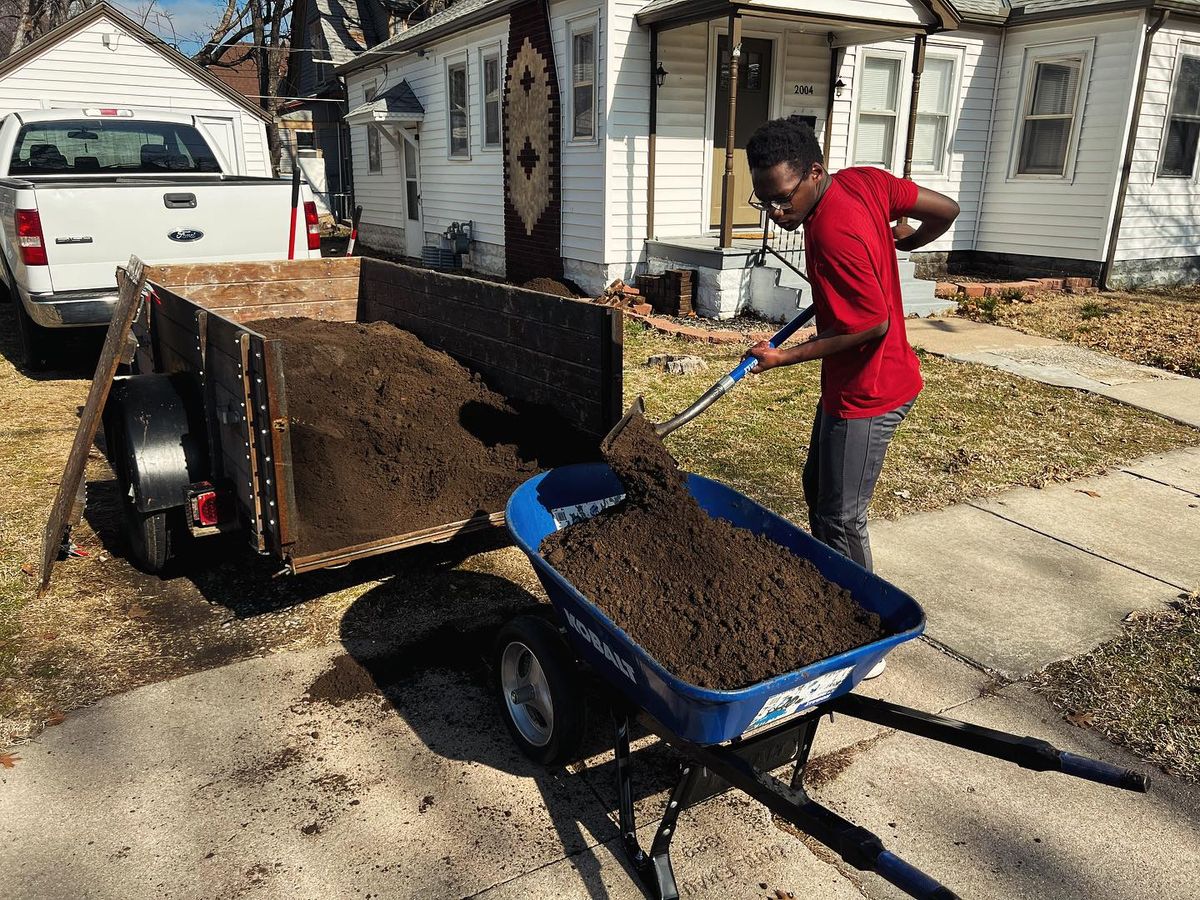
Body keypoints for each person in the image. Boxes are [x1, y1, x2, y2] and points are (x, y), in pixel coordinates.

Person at [742, 119, 959, 676]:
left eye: (783, 199)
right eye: (763, 202)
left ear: (814, 173)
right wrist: (905, 243)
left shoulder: (832, 233)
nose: (776, 214)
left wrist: (781, 357)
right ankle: (833, 598)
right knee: (818, 489)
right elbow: (946, 209)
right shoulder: (861, 182)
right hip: (858, 383)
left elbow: (870, 326)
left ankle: (866, 636)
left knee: (840, 517)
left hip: (870, 392)